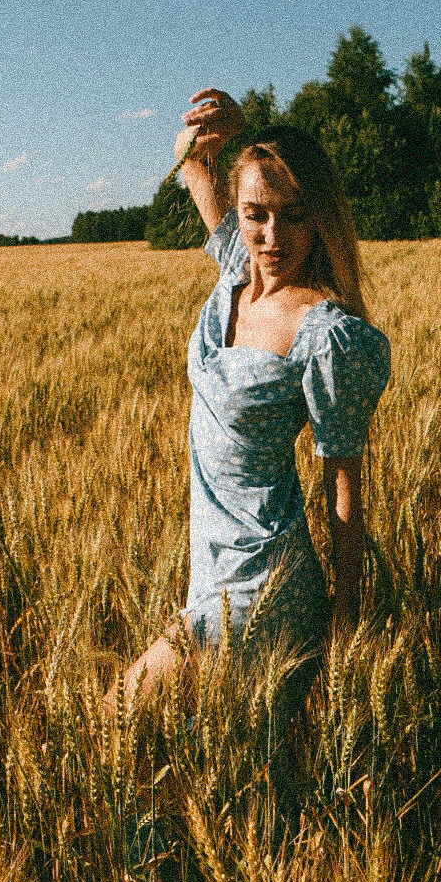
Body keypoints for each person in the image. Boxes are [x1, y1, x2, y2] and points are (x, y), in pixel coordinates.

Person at [111, 87, 390, 721]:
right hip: (207, 571)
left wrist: (344, 626)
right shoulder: (237, 272)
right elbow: (192, 163)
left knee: (120, 713)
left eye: (292, 213)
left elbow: (343, 484)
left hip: (264, 584)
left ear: (320, 216)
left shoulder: (325, 332)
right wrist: (234, 129)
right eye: (256, 212)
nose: (271, 235)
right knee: (237, 770)